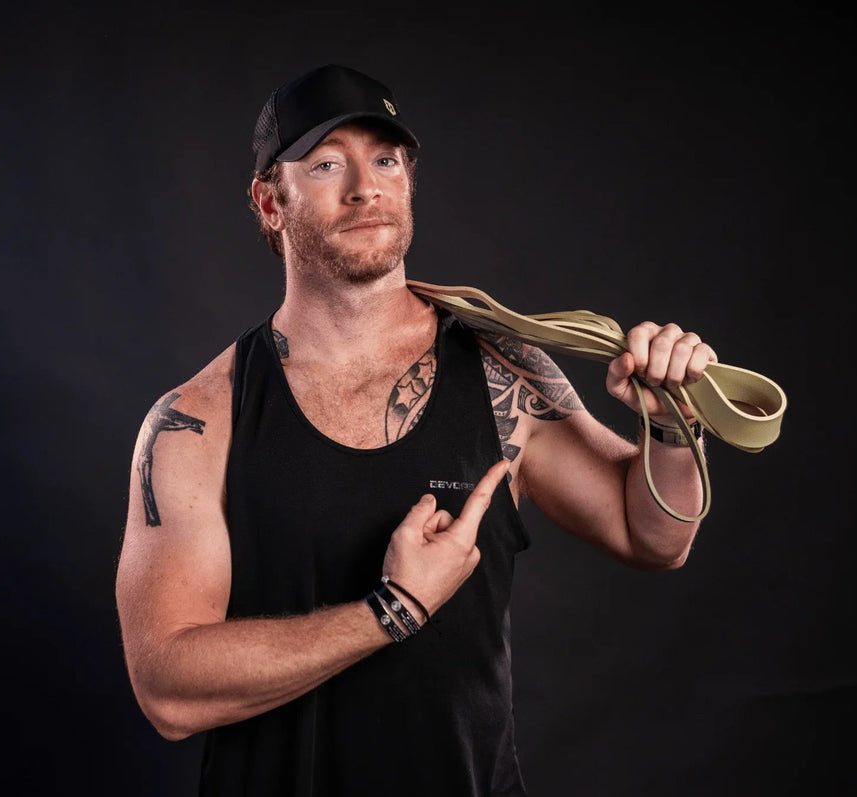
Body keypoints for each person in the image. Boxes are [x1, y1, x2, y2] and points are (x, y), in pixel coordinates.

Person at [115, 63, 717, 797]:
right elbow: (167, 688)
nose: (364, 186)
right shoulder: (199, 420)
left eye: (387, 159)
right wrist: (393, 610)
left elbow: (653, 535)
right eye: (327, 163)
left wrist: (673, 428)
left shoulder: (504, 372)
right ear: (270, 202)